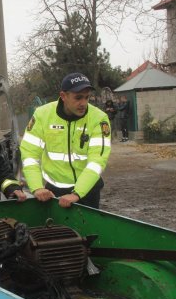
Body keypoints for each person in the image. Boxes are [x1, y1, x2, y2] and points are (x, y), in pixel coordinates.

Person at [20, 72, 111, 209]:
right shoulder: (42, 115)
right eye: (78, 98)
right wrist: (37, 187)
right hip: (53, 190)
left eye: (87, 97)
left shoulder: (99, 118)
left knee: (87, 230)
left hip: (87, 191)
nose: (83, 103)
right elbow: (30, 155)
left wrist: (77, 193)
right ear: (63, 96)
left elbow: (97, 161)